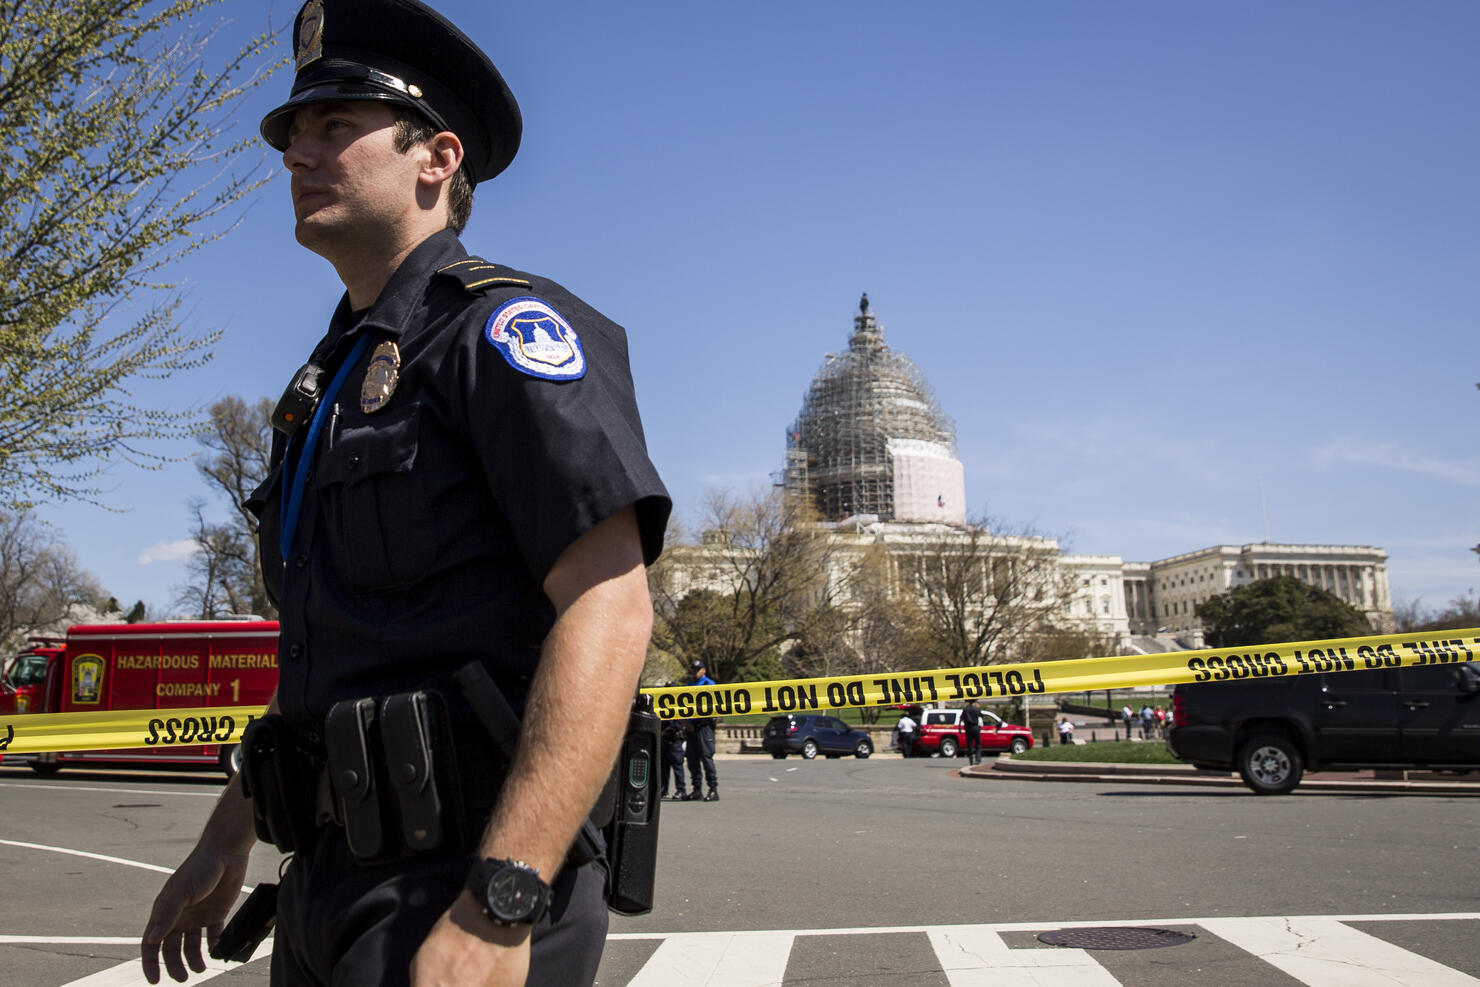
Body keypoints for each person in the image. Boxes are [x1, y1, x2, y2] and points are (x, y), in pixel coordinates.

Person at [138, 2, 670, 985]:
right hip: (326, 880)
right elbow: (334, 660)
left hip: (458, 878)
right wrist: (227, 838)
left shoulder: (500, 334)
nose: (298, 153)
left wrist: (503, 903)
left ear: (437, 159)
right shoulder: (327, 384)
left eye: (335, 126)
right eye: (293, 134)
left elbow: (610, 606)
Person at [682, 660, 719, 801]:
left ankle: (713, 788)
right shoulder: (689, 686)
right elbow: (681, 708)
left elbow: (714, 707)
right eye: (693, 669)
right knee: (692, 760)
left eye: (697, 669)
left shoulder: (708, 684)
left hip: (704, 726)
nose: (695, 672)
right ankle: (697, 789)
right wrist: (685, 723)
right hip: (691, 728)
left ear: (704, 670)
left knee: (706, 757)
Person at [659, 715, 688, 802]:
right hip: (664, 738)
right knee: (664, 766)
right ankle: (664, 789)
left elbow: (678, 723)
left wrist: (668, 730)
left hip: (674, 738)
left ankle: (681, 790)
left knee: (677, 765)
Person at [960, 698, 984, 765]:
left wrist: (960, 729)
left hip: (968, 729)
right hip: (976, 728)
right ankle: (977, 759)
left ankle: (971, 761)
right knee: (978, 745)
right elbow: (981, 717)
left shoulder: (965, 709)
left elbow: (961, 719)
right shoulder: (976, 709)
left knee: (969, 745)